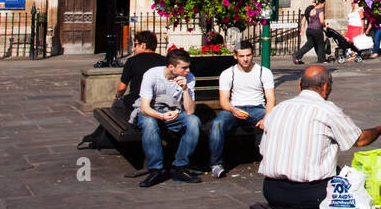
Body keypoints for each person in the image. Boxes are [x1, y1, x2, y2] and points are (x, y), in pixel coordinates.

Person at [258, 64, 381, 208]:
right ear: (325, 87)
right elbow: (360, 140)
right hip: (310, 193)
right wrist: (380, 129)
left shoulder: (278, 109)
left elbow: (263, 149)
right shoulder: (327, 110)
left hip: (272, 190)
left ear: (299, 85)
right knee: (355, 185)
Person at [134, 48, 201, 187]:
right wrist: (162, 116)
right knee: (149, 124)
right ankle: (155, 170)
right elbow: (145, 108)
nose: (187, 71)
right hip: (152, 111)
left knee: (194, 122)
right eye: (184, 68)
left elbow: (190, 111)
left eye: (188, 67)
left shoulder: (189, 78)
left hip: (173, 112)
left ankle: (179, 168)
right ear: (171, 67)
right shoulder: (152, 75)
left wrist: (185, 90)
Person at [208, 41, 276, 179]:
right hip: (234, 108)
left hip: (257, 108)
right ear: (235, 56)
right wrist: (233, 110)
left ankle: (272, 160)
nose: (245, 59)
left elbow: (270, 99)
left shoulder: (264, 72)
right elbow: (224, 101)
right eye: (241, 56)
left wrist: (266, 118)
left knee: (275, 121)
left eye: (248, 55)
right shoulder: (228, 74)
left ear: (253, 54)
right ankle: (216, 164)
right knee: (217, 124)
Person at [112, 31, 165, 111]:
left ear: (143, 45)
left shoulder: (132, 61)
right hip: (160, 101)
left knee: (116, 104)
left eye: (136, 44)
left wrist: (117, 96)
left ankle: (120, 123)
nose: (134, 48)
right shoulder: (165, 60)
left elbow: (121, 88)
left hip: (136, 100)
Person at [294, 0, 327, 64]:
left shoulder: (311, 10)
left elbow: (307, 19)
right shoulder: (320, 10)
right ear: (320, 4)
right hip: (317, 30)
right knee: (320, 45)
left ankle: (297, 55)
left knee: (309, 44)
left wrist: (303, 29)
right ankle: (322, 60)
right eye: (323, 4)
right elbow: (321, 21)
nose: (324, 5)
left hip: (309, 29)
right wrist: (325, 25)